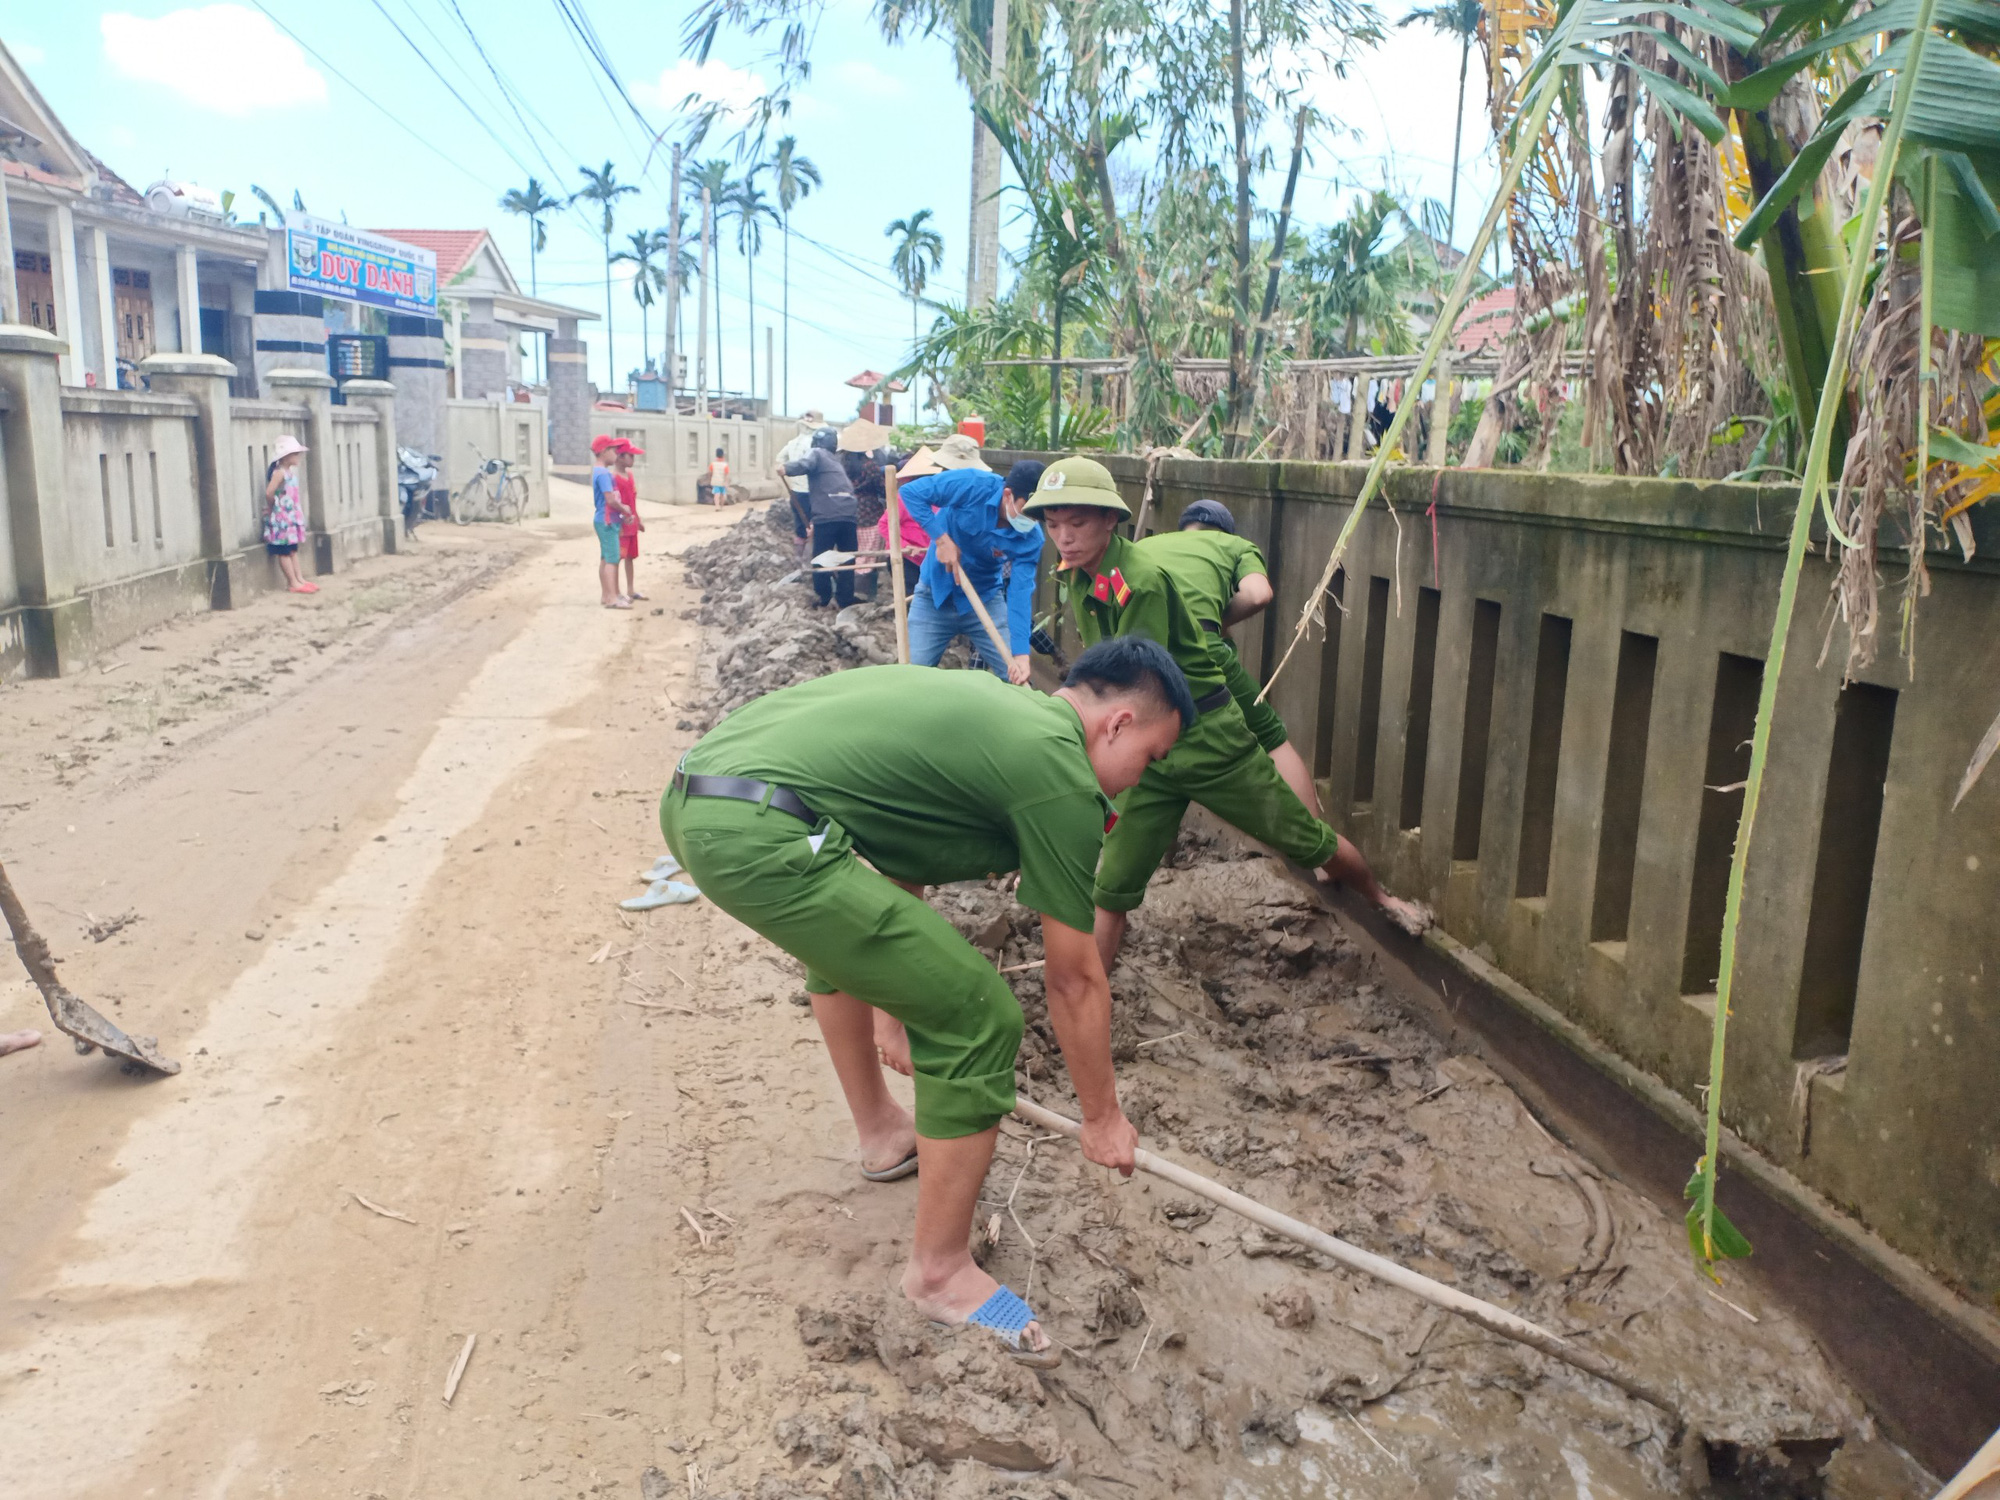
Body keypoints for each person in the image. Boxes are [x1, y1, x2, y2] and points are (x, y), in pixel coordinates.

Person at [659, 638, 1195, 1363]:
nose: (1138, 782)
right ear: (1119, 724)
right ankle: (939, 1275)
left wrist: (896, 1009)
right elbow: (1073, 978)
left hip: (706, 799)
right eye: (1151, 760)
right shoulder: (1060, 773)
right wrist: (1102, 1119)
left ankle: (883, 1133)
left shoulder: (1001, 714)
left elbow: (890, 849)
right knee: (978, 1017)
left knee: (862, 947)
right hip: (758, 829)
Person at [1022, 456, 1432, 973]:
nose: (1064, 536)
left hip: (1204, 737)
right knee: (1113, 886)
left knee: (1307, 842)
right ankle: (1088, 995)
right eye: (1053, 525)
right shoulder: (1082, 577)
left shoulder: (1141, 578)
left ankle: (1382, 899)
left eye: (1077, 523)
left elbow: (1138, 679)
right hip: (1144, 752)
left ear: (1110, 520)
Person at [1138, 498, 1323, 818]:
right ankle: (1323, 859)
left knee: (1145, 737)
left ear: (1183, 528)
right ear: (1224, 531)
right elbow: (1257, 593)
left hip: (1138, 651)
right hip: (1201, 647)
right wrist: (1218, 621)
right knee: (1271, 737)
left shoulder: (1147, 545)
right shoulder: (1235, 545)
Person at [896, 438, 1046, 684]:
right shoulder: (973, 484)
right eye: (1028, 510)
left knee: (1016, 680)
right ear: (1008, 495)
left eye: (1038, 515)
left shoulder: (1031, 538)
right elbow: (910, 493)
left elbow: (1020, 594)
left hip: (985, 598)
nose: (1032, 520)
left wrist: (1021, 654)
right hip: (934, 596)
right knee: (913, 678)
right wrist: (942, 540)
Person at [784, 427, 859, 609]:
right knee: (847, 558)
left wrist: (786, 468)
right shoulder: (837, 460)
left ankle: (823, 597)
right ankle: (844, 598)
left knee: (821, 558)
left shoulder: (817, 453)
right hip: (849, 514)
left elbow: (804, 465)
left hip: (828, 515)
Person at [262, 436, 317, 594]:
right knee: (284, 551)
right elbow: (269, 492)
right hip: (282, 519)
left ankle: (300, 579)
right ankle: (292, 582)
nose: (297, 457)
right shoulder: (279, 473)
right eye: (294, 454)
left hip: (291, 517)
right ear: (285, 456)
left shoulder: (289, 473)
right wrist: (273, 507)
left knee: (292, 549)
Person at [774, 409, 823, 563]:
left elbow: (779, 459)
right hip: (812, 492)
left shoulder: (793, 443)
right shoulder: (814, 446)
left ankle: (798, 559)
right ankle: (812, 559)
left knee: (800, 526)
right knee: (816, 526)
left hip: (795, 492)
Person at [591, 434, 632, 609]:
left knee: (605, 558)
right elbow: (610, 500)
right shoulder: (603, 474)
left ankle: (606, 595)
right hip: (607, 521)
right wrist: (624, 510)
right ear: (603, 451)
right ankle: (611, 598)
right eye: (613, 450)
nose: (616, 454)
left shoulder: (600, 472)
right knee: (612, 559)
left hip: (604, 520)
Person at [614, 439, 647, 602]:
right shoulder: (614, 478)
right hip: (622, 525)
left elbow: (633, 501)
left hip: (632, 523)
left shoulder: (630, 476)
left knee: (630, 557)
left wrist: (638, 520)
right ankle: (616, 591)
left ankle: (631, 589)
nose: (633, 460)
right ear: (620, 457)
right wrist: (620, 523)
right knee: (618, 557)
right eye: (630, 456)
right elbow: (615, 503)